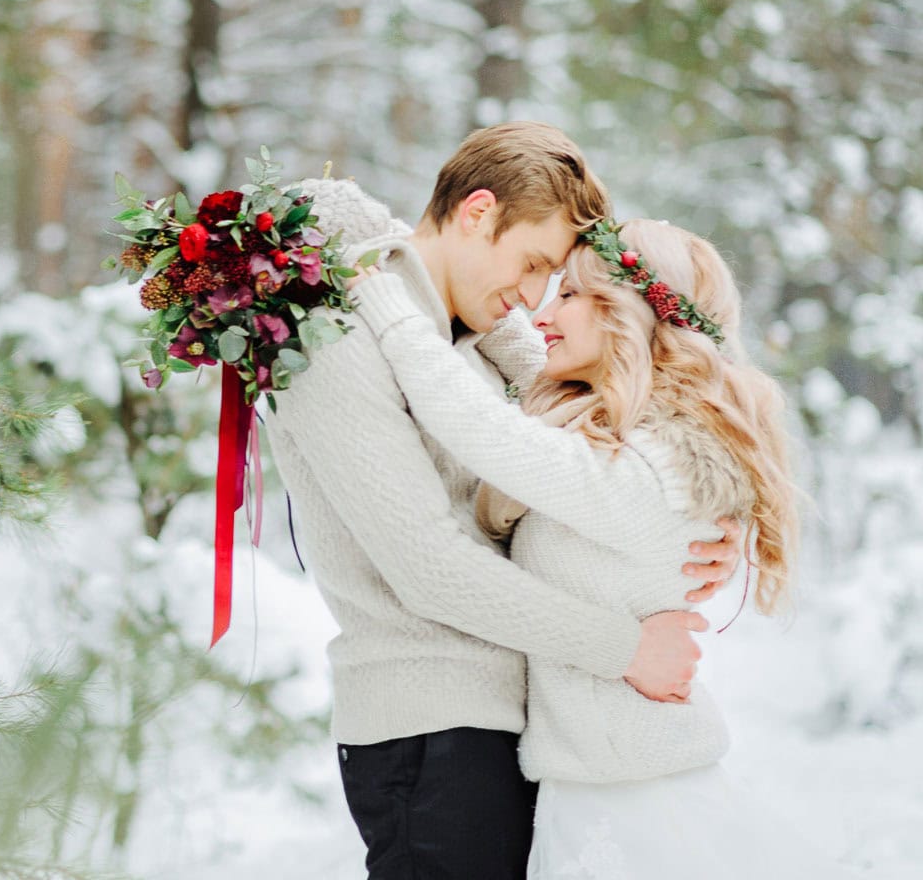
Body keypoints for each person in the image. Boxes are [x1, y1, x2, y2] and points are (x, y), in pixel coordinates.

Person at [266, 123, 741, 879]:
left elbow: (603, 443)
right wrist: (627, 651)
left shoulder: (467, 335)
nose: (533, 298)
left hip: (507, 724)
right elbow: (429, 568)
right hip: (429, 727)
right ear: (477, 212)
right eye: (533, 265)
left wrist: (695, 530)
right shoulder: (341, 336)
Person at [347, 215, 855, 878]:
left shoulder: (657, 468)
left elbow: (480, 430)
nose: (541, 311)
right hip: (595, 789)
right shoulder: (627, 441)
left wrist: (384, 301)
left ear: (628, 313)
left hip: (635, 806)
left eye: (569, 294)